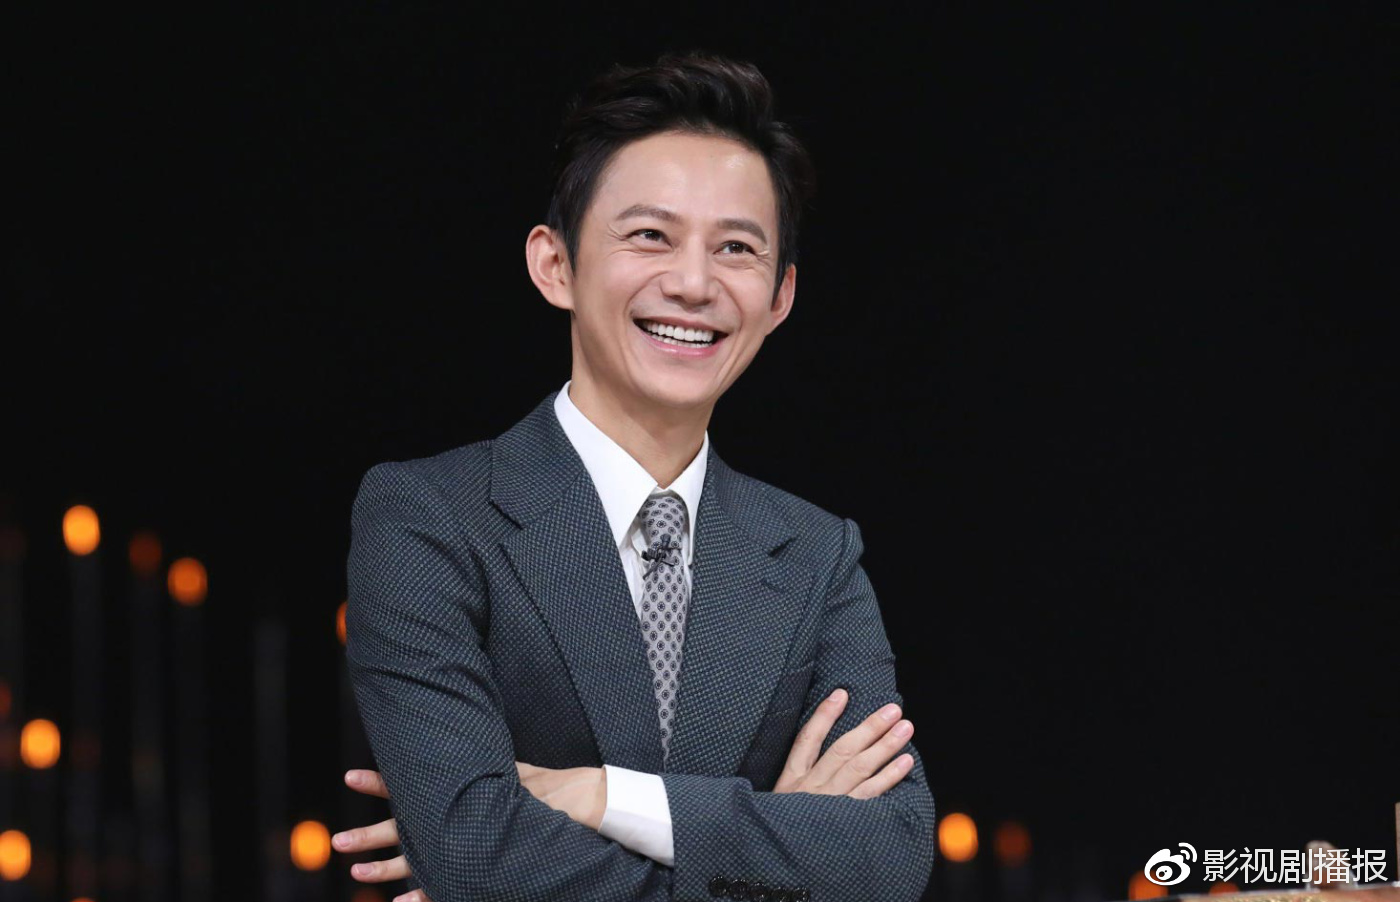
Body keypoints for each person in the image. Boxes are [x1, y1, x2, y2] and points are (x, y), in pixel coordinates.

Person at [338, 50, 936, 902]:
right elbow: (474, 850)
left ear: (780, 297)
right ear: (556, 265)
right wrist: (778, 851)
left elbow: (893, 854)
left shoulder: (816, 556)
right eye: (650, 236)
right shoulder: (429, 516)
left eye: (736, 248)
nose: (693, 284)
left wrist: (602, 798)